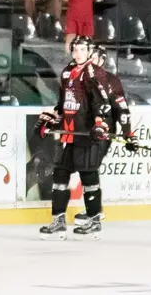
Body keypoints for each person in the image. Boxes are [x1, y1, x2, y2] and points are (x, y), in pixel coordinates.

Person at [34, 35, 113, 240]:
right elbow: (63, 103)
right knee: (59, 175)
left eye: (82, 50)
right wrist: (51, 118)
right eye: (75, 49)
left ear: (89, 52)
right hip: (69, 134)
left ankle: (94, 222)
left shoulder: (93, 72)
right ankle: (59, 223)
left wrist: (99, 124)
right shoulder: (68, 71)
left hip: (85, 135)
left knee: (88, 176)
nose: (78, 53)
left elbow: (101, 104)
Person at [73, 45, 137, 226]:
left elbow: (122, 109)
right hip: (84, 132)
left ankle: (95, 213)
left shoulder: (110, 80)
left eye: (94, 58)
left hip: (102, 133)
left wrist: (128, 133)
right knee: (86, 170)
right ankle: (94, 210)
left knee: (89, 168)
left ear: (101, 60)